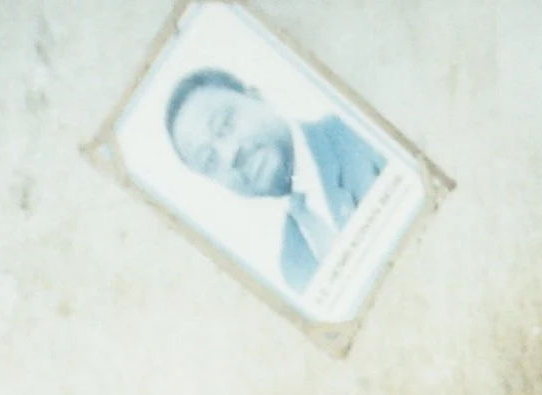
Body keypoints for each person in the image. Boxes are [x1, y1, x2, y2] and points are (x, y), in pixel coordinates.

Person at [165, 70, 384, 292]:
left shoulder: (360, 129)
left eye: (225, 125)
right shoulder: (294, 265)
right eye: (210, 160)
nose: (230, 154)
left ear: (257, 97)